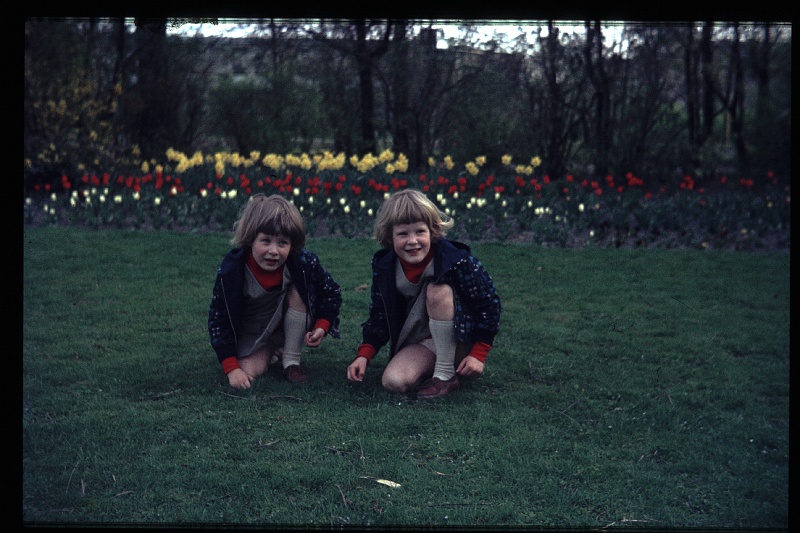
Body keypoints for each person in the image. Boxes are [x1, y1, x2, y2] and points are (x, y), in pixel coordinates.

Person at [347, 189, 501, 399]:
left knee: (438, 290)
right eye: (403, 234)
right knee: (393, 382)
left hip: (460, 339)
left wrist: (478, 354)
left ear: (433, 231)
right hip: (423, 342)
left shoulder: (457, 260)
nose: (412, 241)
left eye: (420, 231)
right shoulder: (385, 267)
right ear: (390, 237)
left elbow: (488, 305)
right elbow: (380, 315)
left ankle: (446, 375)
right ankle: (432, 367)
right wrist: (364, 355)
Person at [209, 194, 341, 389]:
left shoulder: (303, 262)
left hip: (287, 319)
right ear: (250, 239)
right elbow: (218, 320)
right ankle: (271, 348)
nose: (274, 251)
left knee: (300, 288)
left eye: (282, 243)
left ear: (292, 244)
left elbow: (331, 292)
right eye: (266, 241)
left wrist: (322, 325)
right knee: (246, 373)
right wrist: (231, 368)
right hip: (252, 331)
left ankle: (291, 361)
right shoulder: (232, 271)